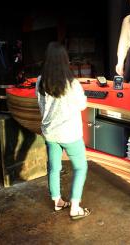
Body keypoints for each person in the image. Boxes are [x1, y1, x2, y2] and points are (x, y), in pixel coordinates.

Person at [35, 42, 91, 219]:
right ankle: (75, 208)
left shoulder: (40, 80)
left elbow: (40, 105)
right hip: (70, 134)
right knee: (81, 167)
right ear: (65, 60)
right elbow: (82, 105)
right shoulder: (72, 84)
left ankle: (57, 201)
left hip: (50, 133)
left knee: (54, 166)